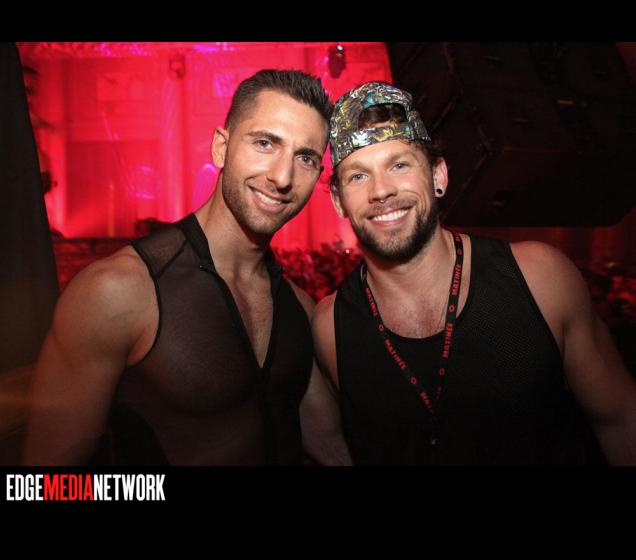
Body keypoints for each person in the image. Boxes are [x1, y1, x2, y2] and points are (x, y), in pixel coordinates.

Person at [23, 69, 352, 466]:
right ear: (221, 148)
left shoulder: (297, 306)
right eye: (265, 143)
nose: (282, 177)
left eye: (305, 158)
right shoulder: (118, 291)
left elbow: (328, 442)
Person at [312, 81, 636, 465]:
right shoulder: (331, 325)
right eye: (358, 176)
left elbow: (620, 419)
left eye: (399, 165)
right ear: (338, 201)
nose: (381, 191)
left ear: (438, 175)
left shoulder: (540, 278)